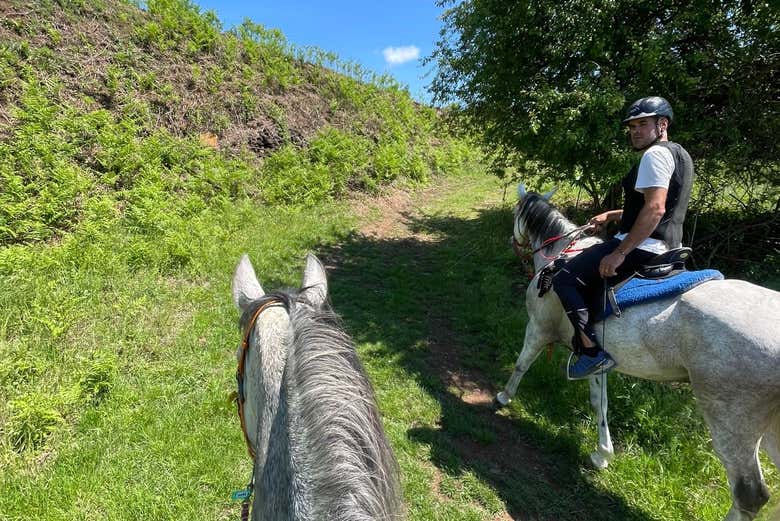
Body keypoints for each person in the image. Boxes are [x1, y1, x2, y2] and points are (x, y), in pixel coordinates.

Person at [552, 96, 695, 379]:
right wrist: (612, 215)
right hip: (671, 245)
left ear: (662, 124)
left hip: (643, 246)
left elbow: (655, 208)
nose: (635, 131)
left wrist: (620, 252)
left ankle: (591, 353)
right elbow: (653, 203)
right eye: (632, 126)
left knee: (563, 279)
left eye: (643, 124)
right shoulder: (681, 154)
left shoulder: (653, 155)